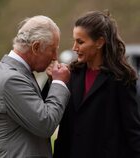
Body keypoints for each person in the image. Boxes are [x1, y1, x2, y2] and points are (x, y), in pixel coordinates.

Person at [53, 11, 140, 158]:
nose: (74, 47)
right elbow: (65, 127)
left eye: (80, 42)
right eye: (74, 41)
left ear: (99, 42)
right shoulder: (72, 74)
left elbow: (132, 130)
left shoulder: (121, 79)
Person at [0, 15, 70, 158]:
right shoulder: (11, 79)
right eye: (52, 49)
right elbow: (45, 124)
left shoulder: (15, 73)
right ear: (35, 47)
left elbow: (35, 113)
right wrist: (59, 83)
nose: (55, 57)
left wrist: (51, 82)